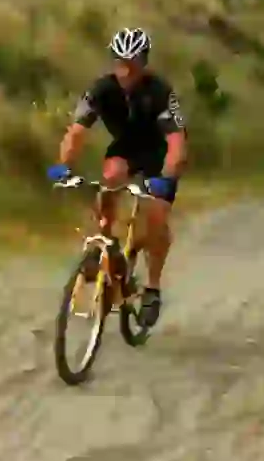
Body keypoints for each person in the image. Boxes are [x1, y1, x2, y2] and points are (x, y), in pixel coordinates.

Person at [46, 27, 188, 327]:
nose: (124, 70)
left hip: (159, 154)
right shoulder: (101, 89)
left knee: (156, 218)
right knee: (109, 178)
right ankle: (106, 248)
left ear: (143, 63)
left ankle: (152, 287)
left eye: (132, 64)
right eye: (119, 62)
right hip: (126, 148)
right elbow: (76, 133)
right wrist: (63, 166)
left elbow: (176, 144)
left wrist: (166, 178)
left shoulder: (160, 91)